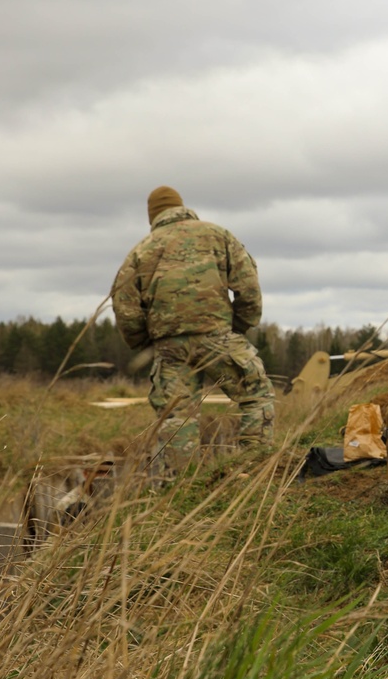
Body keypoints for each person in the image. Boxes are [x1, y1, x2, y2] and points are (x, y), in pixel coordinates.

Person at [112, 186, 275, 469]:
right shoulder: (218, 235)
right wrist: (236, 327)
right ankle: (254, 470)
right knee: (255, 393)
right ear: (181, 206)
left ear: (153, 216)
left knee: (176, 417)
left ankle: (178, 490)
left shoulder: (141, 250)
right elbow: (248, 287)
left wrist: (145, 343)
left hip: (169, 346)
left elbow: (125, 307)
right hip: (217, 336)